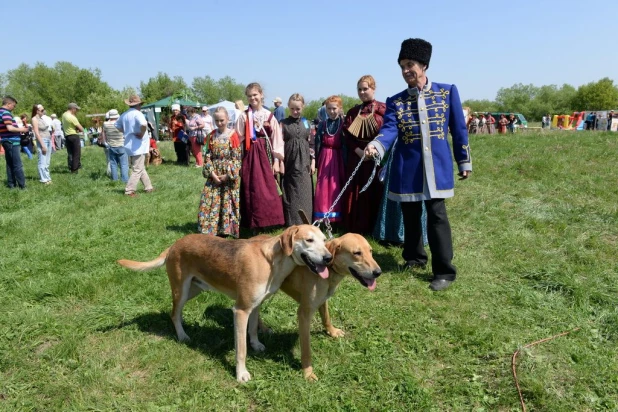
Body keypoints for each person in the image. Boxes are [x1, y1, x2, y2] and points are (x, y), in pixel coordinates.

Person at [365, 38, 472, 291]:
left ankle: (444, 271)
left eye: (410, 64)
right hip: (407, 168)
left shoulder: (447, 92)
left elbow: (458, 130)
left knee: (436, 216)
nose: (405, 71)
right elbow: (389, 129)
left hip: (437, 168)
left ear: (423, 65)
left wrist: (463, 161)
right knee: (411, 216)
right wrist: (377, 145)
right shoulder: (396, 100)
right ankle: (414, 258)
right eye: (402, 66)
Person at [235, 82, 285, 231]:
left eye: (255, 95)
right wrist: (238, 159)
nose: (253, 98)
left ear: (261, 95)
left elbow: (276, 139)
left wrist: (276, 160)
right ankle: (253, 222)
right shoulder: (244, 116)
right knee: (251, 188)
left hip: (266, 156)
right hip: (250, 157)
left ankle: (269, 220)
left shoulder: (269, 116)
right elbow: (238, 138)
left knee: (268, 188)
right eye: (249, 96)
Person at [341, 75, 386, 235]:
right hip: (357, 157)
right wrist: (359, 151)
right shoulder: (353, 112)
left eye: (365, 88)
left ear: (373, 88)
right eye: (359, 89)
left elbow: (389, 133)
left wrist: (375, 148)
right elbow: (347, 136)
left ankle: (375, 228)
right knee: (356, 190)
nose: (362, 92)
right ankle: (355, 226)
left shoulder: (383, 110)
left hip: (376, 157)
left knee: (375, 191)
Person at [198, 107, 242, 237]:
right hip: (214, 175)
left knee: (227, 201)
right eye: (216, 120)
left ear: (228, 119)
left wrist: (228, 175)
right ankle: (210, 228)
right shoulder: (211, 136)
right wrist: (212, 174)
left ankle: (227, 228)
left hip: (227, 175)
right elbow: (207, 156)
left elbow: (236, 157)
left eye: (222, 120)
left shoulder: (233, 136)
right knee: (210, 200)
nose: (219, 123)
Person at [281, 93, 315, 226]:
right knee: (291, 192)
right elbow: (278, 144)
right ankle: (291, 222)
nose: (295, 111)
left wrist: (312, 161)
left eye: (298, 109)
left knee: (305, 191)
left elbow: (311, 143)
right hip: (289, 161)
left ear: (303, 108)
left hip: (305, 162)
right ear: (288, 107)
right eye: (292, 109)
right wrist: (280, 162)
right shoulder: (283, 123)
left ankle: (306, 221)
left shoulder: (307, 123)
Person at [314, 95, 345, 223]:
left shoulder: (343, 124)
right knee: (323, 186)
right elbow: (317, 142)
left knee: (335, 185)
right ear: (325, 109)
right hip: (325, 156)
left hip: (337, 158)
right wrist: (316, 159)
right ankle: (322, 215)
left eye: (334, 108)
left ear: (340, 108)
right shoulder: (323, 124)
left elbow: (345, 143)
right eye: (329, 109)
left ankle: (336, 216)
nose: (332, 111)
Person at [115, 95, 154, 197]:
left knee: (140, 167)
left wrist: (126, 131)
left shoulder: (124, 114)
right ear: (138, 105)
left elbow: (117, 126)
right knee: (137, 169)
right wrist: (141, 134)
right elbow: (144, 125)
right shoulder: (138, 114)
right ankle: (129, 190)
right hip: (138, 145)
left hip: (129, 144)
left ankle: (148, 187)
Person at [0, 96, 29, 189]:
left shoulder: (1, 112)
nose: (14, 107)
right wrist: (22, 129)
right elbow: (10, 128)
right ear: (8, 104)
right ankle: (22, 186)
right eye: (13, 105)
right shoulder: (6, 113)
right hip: (12, 141)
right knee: (17, 164)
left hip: (6, 140)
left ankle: (11, 184)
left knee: (10, 164)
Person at [102, 109, 128, 183]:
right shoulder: (121, 123)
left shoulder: (105, 124)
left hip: (111, 146)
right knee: (123, 164)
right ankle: (125, 180)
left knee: (113, 164)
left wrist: (105, 142)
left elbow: (103, 133)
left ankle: (115, 180)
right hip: (121, 145)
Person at [31, 104, 52, 184]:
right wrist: (42, 145)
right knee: (42, 160)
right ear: (37, 111)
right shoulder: (34, 119)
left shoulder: (41, 118)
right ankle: (44, 179)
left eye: (44, 110)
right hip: (43, 140)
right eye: (42, 110)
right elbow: (36, 133)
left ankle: (48, 178)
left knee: (47, 161)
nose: (44, 111)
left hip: (48, 139)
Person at [61, 102, 84, 173]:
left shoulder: (64, 115)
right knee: (76, 154)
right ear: (73, 109)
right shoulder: (72, 117)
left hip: (67, 136)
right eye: (76, 109)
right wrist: (78, 129)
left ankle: (70, 166)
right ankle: (75, 170)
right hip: (74, 136)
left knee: (70, 153)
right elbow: (81, 129)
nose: (76, 111)